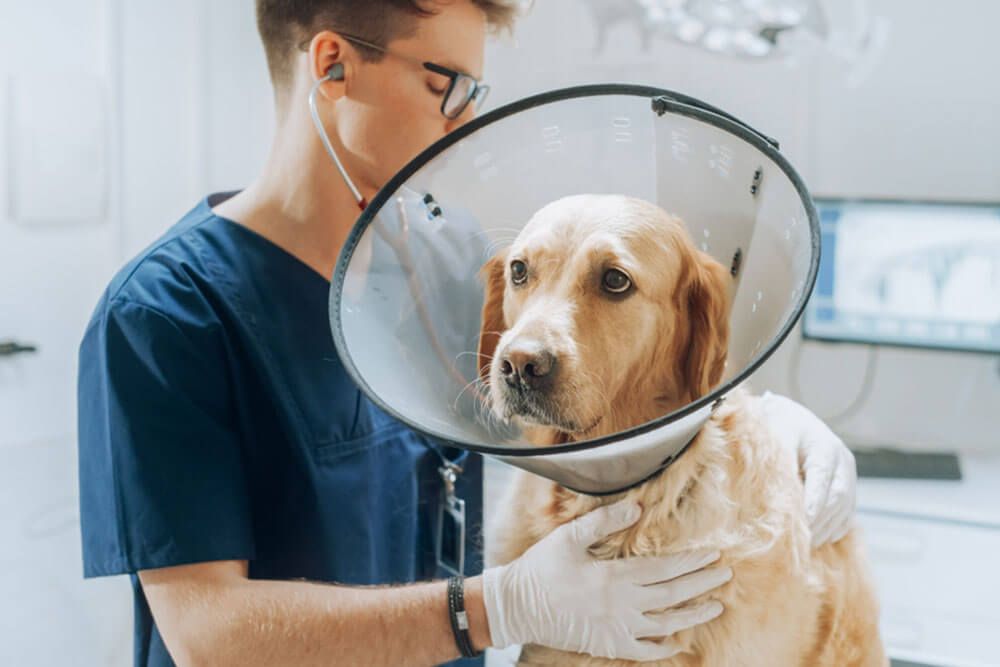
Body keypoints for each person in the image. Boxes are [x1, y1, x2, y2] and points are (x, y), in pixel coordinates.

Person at [76, 1, 858, 666]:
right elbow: (208, 634)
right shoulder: (166, 317)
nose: (468, 121)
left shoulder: (446, 258)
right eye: (444, 84)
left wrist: (763, 420)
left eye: (473, 90)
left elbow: (611, 380)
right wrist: (496, 608)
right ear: (332, 66)